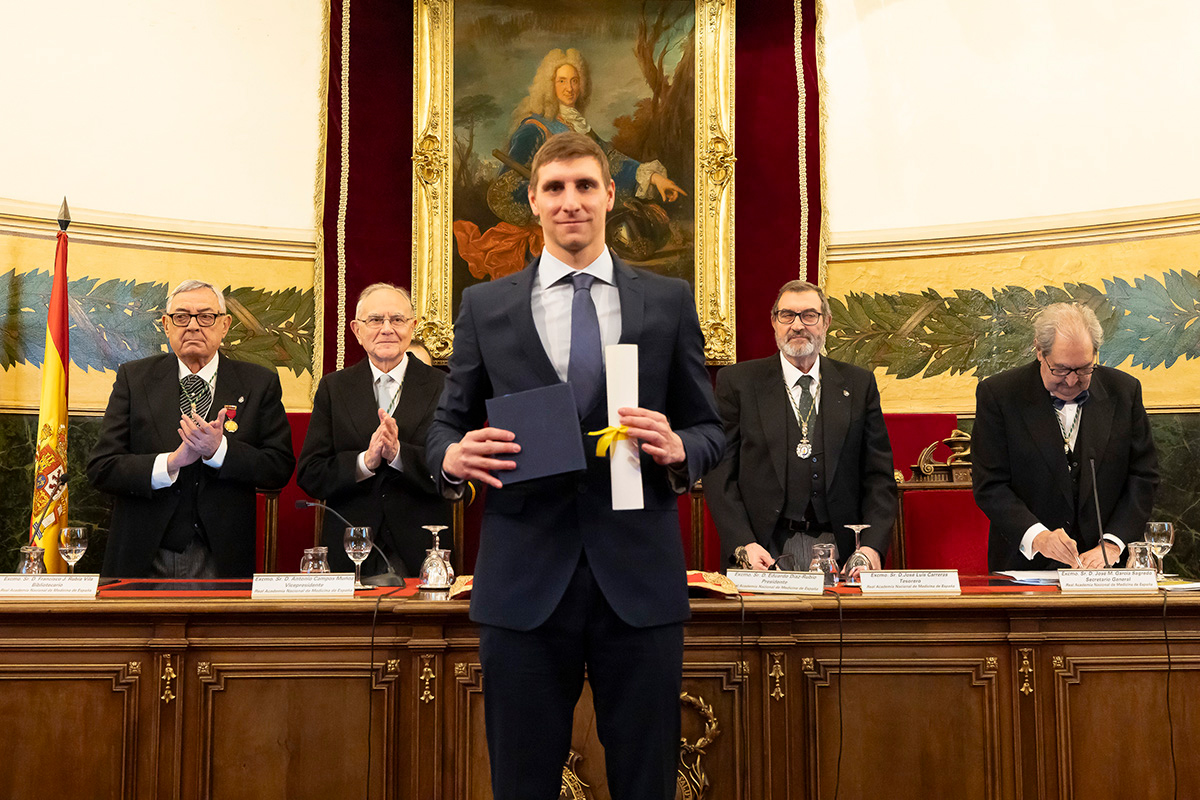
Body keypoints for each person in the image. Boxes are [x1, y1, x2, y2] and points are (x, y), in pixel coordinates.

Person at [427, 131, 723, 800]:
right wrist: (451, 455)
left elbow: (709, 428)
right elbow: (445, 424)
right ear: (532, 201)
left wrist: (682, 448)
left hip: (638, 581)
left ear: (610, 195)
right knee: (523, 782)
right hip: (524, 580)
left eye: (585, 186)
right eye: (555, 188)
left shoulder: (668, 302)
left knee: (647, 782)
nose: (571, 202)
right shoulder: (486, 305)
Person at [87, 279, 294, 578]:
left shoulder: (258, 383)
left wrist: (219, 451)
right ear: (166, 325)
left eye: (206, 317)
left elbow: (279, 468)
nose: (193, 326)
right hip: (143, 555)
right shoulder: (134, 378)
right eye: (181, 317)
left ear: (224, 326)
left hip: (222, 558)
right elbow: (101, 467)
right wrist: (170, 463)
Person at [705, 280, 898, 573]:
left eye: (809, 315)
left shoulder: (859, 385)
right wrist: (743, 544)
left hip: (845, 554)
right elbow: (719, 473)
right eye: (787, 315)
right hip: (763, 552)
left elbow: (879, 478)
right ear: (774, 322)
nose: (797, 325)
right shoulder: (738, 383)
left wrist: (870, 549)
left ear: (826, 322)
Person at [456, 47, 687, 279]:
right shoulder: (534, 129)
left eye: (575, 81)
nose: (570, 88)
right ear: (550, 86)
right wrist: (551, 205)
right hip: (551, 237)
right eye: (562, 81)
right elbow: (507, 186)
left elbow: (612, 161)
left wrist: (656, 178)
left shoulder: (580, 126)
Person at [973, 302, 1159, 571]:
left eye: (1084, 369)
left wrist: (1112, 543)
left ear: (1096, 353)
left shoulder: (1124, 391)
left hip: (1106, 569)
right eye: (1060, 370)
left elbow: (1143, 476)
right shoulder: (999, 395)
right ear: (1039, 351)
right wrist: (1038, 536)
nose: (1072, 381)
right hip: (1025, 570)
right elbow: (990, 485)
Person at [296, 283, 451, 578]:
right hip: (350, 548)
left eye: (397, 319)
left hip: (423, 551)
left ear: (413, 326)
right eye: (375, 320)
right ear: (356, 329)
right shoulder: (334, 388)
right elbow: (311, 473)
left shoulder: (444, 388)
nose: (387, 329)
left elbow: (457, 473)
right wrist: (363, 463)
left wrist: (399, 456)